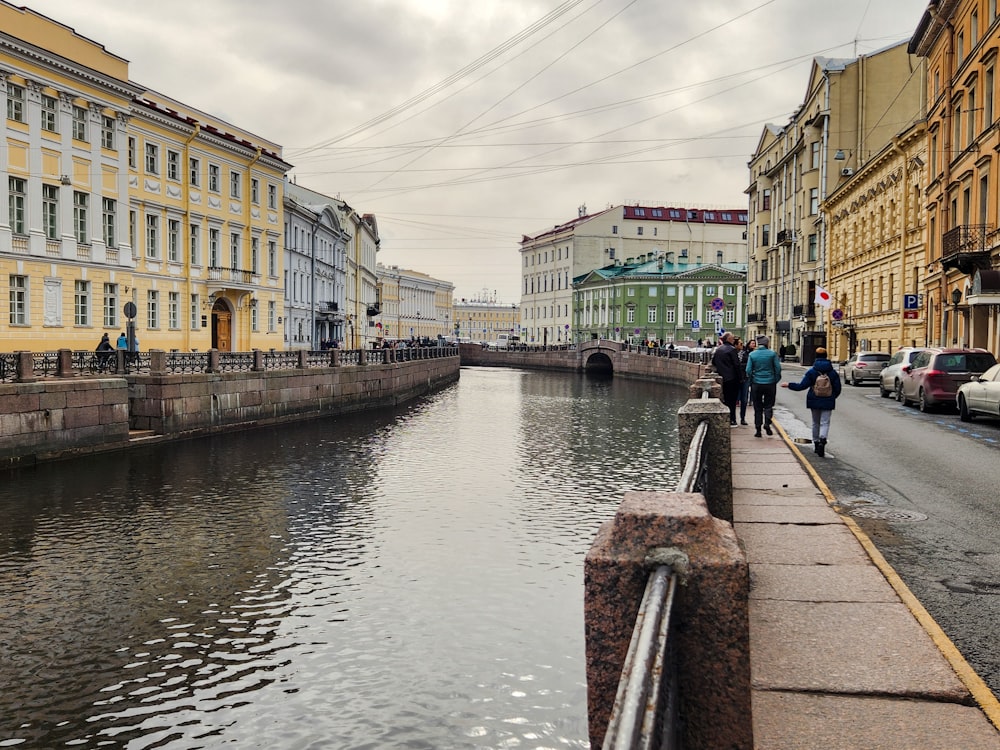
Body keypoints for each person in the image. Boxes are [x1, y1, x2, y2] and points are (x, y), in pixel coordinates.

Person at [781, 346, 842, 457]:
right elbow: (838, 388)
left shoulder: (812, 371)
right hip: (828, 400)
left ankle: (816, 442)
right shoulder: (832, 372)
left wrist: (789, 385)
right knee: (825, 422)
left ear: (816, 357)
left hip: (814, 399)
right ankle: (823, 440)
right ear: (826, 356)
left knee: (815, 422)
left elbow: (802, 386)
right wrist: (832, 396)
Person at [746, 335, 781, 437]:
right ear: (767, 344)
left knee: (757, 407)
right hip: (770, 383)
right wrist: (775, 379)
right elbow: (778, 369)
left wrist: (752, 380)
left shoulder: (752, 355)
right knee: (769, 405)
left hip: (757, 383)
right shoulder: (772, 354)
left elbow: (748, 370)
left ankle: (758, 430)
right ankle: (767, 423)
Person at [711, 332, 742, 426]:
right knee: (732, 400)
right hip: (732, 378)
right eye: (732, 338)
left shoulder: (718, 349)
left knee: (725, 399)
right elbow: (737, 365)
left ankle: (724, 420)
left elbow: (713, 362)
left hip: (722, 377)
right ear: (728, 339)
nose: (733, 340)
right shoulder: (732, 349)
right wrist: (740, 378)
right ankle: (732, 420)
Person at [736, 337, 755, 425]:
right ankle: (733, 418)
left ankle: (742, 418)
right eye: (740, 343)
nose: (742, 345)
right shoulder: (737, 353)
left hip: (745, 378)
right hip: (736, 378)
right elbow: (737, 365)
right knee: (736, 398)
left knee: (744, 399)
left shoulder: (748, 353)